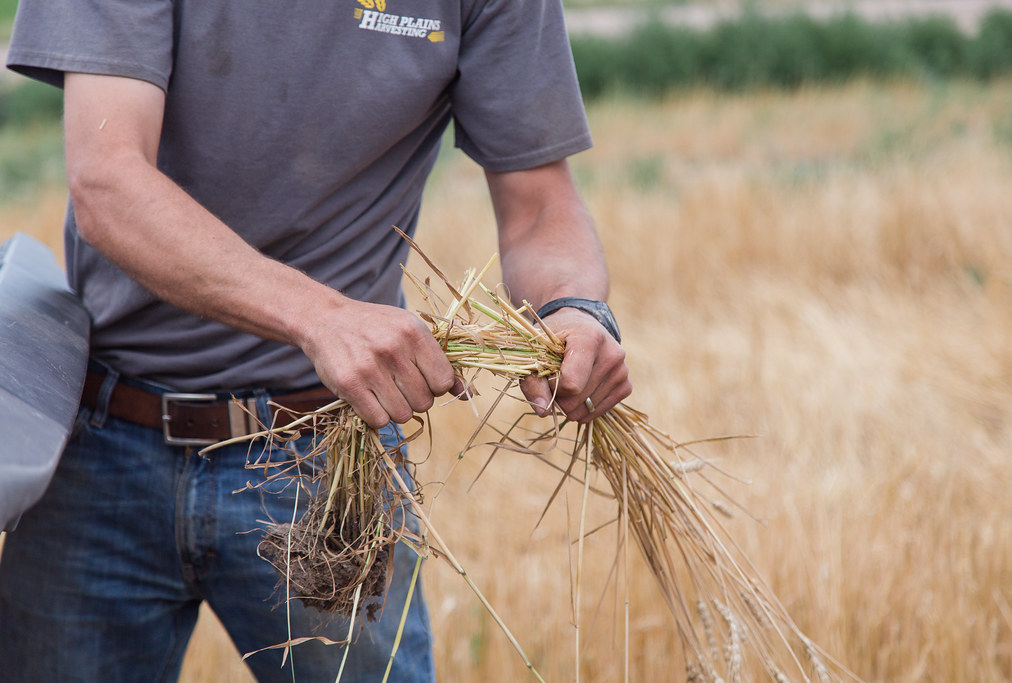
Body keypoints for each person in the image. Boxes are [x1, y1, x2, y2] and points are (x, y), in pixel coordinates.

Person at [0, 1, 632, 680]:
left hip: (330, 457)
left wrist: (573, 308)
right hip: (99, 444)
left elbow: (539, 202)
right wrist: (320, 317)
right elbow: (108, 181)